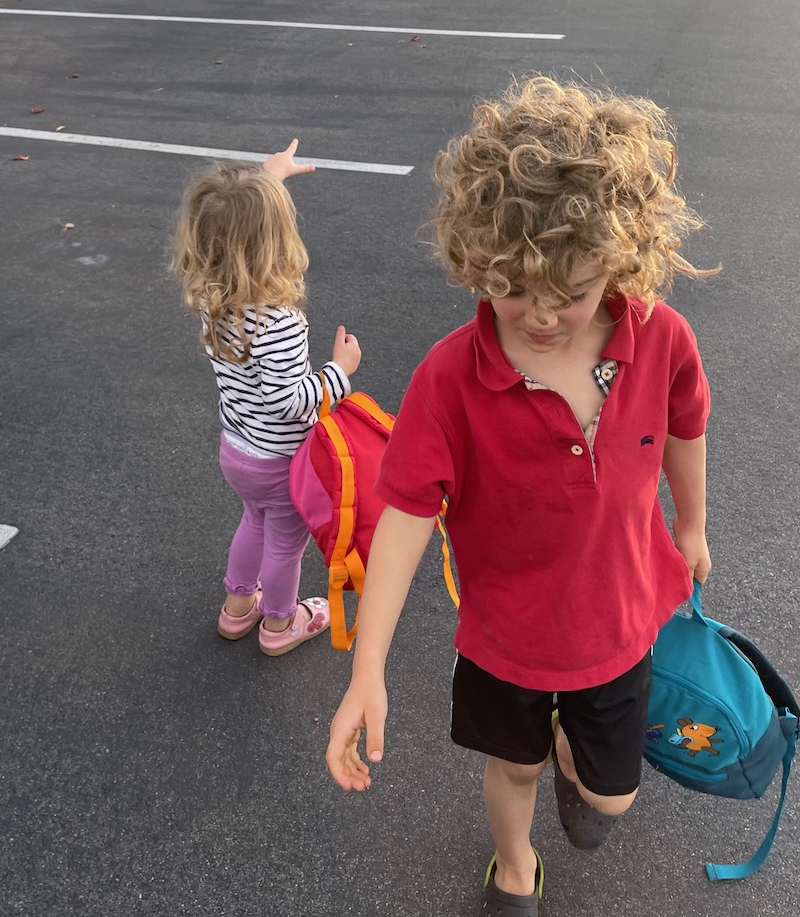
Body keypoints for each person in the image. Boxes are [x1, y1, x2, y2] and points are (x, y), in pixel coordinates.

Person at [325, 79, 717, 915]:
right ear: (476, 259)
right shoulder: (449, 380)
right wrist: (368, 664)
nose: (539, 316)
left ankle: (580, 769)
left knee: (611, 798)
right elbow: (403, 518)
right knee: (512, 767)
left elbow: (685, 427)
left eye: (569, 295)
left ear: (620, 257)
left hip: (617, 629)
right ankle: (512, 868)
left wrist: (692, 522)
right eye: (512, 290)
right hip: (504, 643)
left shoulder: (663, 339)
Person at [172, 141, 362, 657]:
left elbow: (238, 219)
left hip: (238, 448)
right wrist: (339, 374)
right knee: (286, 543)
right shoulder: (275, 320)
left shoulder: (216, 296)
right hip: (280, 459)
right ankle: (281, 624)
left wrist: (270, 174)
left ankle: (237, 609)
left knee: (252, 521)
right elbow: (288, 400)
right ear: (275, 242)